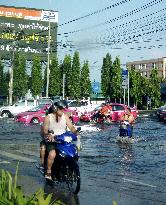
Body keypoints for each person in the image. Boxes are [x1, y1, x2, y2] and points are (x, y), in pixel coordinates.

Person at [42, 100, 81, 180]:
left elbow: (71, 127)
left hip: (63, 139)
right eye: (61, 109)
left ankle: (69, 169)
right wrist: (48, 135)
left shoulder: (65, 117)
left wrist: (76, 133)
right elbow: (45, 130)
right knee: (52, 154)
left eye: (63, 109)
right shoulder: (48, 117)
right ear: (56, 109)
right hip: (52, 140)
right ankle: (48, 172)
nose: (63, 111)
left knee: (73, 152)